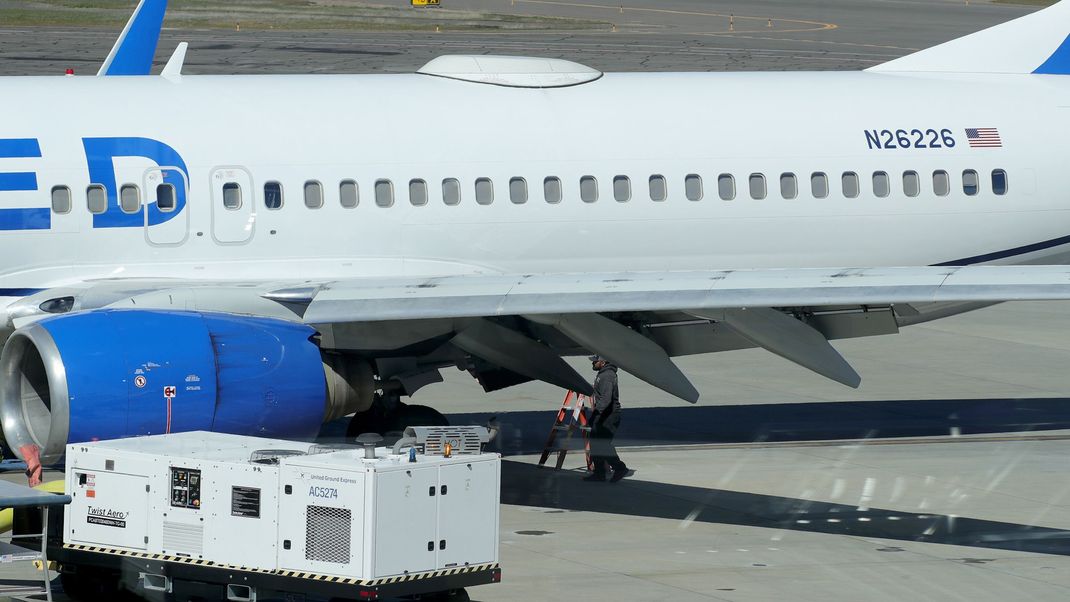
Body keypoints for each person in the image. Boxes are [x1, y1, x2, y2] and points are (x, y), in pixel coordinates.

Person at [583, 355, 629, 483]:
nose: (593, 363)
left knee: (603, 444)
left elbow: (606, 399)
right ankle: (599, 473)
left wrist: (596, 415)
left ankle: (620, 468)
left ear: (603, 362)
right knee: (595, 442)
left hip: (609, 416)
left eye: (595, 361)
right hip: (603, 414)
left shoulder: (607, 375)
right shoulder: (603, 373)